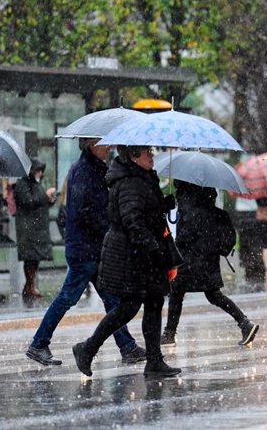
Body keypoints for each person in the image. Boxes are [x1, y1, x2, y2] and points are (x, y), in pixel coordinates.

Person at [25, 138, 145, 366]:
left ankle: (127, 347)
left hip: (92, 248)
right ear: (91, 145)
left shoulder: (95, 169)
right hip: (85, 249)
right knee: (68, 298)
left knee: (111, 299)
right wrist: (109, 225)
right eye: (103, 143)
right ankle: (38, 343)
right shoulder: (83, 171)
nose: (108, 147)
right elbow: (84, 211)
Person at [72, 145, 181, 378]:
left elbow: (144, 211)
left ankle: (154, 361)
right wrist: (153, 248)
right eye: (148, 153)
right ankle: (87, 349)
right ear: (134, 156)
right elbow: (133, 221)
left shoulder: (143, 177)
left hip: (144, 255)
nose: (152, 156)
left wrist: (163, 204)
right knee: (128, 307)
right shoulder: (130, 181)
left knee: (153, 304)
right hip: (133, 255)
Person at [161, 180, 259, 346]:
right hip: (207, 259)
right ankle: (244, 323)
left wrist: (175, 246)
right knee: (212, 294)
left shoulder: (190, 205)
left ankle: (169, 334)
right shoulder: (210, 207)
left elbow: (186, 236)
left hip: (191, 259)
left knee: (177, 292)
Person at [13, 158, 57, 305]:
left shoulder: (35, 184)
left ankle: (29, 286)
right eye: (37, 170)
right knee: (30, 259)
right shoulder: (22, 184)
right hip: (28, 229)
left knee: (34, 259)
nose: (40, 173)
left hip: (37, 228)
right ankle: (30, 286)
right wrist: (44, 196)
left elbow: (39, 202)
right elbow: (28, 201)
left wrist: (50, 199)